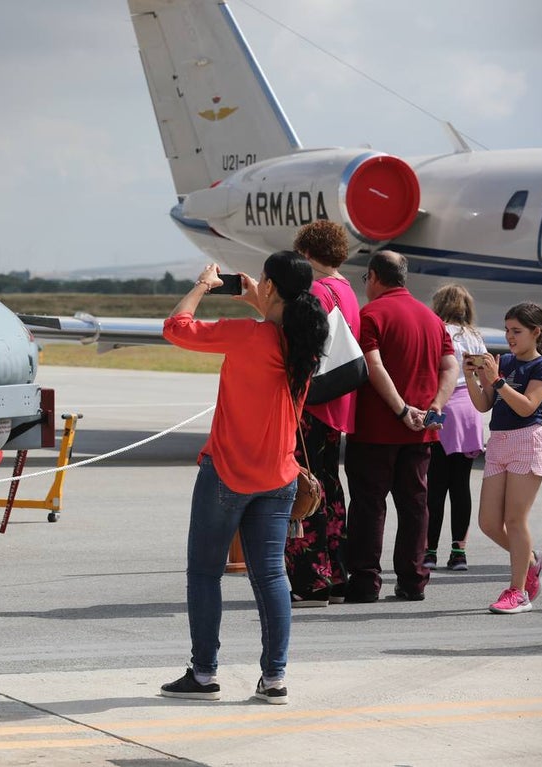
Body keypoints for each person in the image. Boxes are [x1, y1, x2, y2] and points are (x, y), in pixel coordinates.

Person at [158, 252, 327, 705]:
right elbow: (277, 329)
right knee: (271, 576)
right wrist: (262, 300)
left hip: (228, 474)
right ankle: (274, 678)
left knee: (205, 573)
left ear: (271, 287)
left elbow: (176, 328)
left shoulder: (248, 336)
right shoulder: (305, 342)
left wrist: (202, 285)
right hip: (279, 475)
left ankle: (204, 672)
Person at [344, 251, 457, 603]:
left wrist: (400, 409)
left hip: (377, 429)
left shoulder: (371, 315)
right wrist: (435, 404)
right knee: (415, 506)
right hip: (421, 430)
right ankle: (413, 580)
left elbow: (372, 364)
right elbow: (450, 367)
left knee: (368, 505)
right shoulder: (431, 318)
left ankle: (365, 581)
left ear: (375, 276)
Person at [284, 221, 360, 607]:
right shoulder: (346, 289)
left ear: (308, 252)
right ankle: (337, 572)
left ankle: (312, 580)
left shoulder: (314, 290)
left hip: (311, 403)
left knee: (304, 487)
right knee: (329, 486)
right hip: (337, 404)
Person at [464, 302, 542, 614]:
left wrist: (498, 380)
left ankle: (518, 591)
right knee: (489, 522)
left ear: (535, 332)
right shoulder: (507, 361)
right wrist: (476, 379)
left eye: (517, 331)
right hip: (499, 442)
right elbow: (484, 404)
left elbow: (528, 407)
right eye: (507, 330)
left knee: (515, 520)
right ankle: (530, 561)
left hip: (526, 442)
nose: (510, 336)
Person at [425, 284, 487, 572]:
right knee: (461, 485)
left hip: (443, 407)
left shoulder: (437, 331)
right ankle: (458, 552)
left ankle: (430, 550)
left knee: (435, 485)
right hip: (470, 411)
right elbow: (484, 374)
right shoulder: (475, 337)